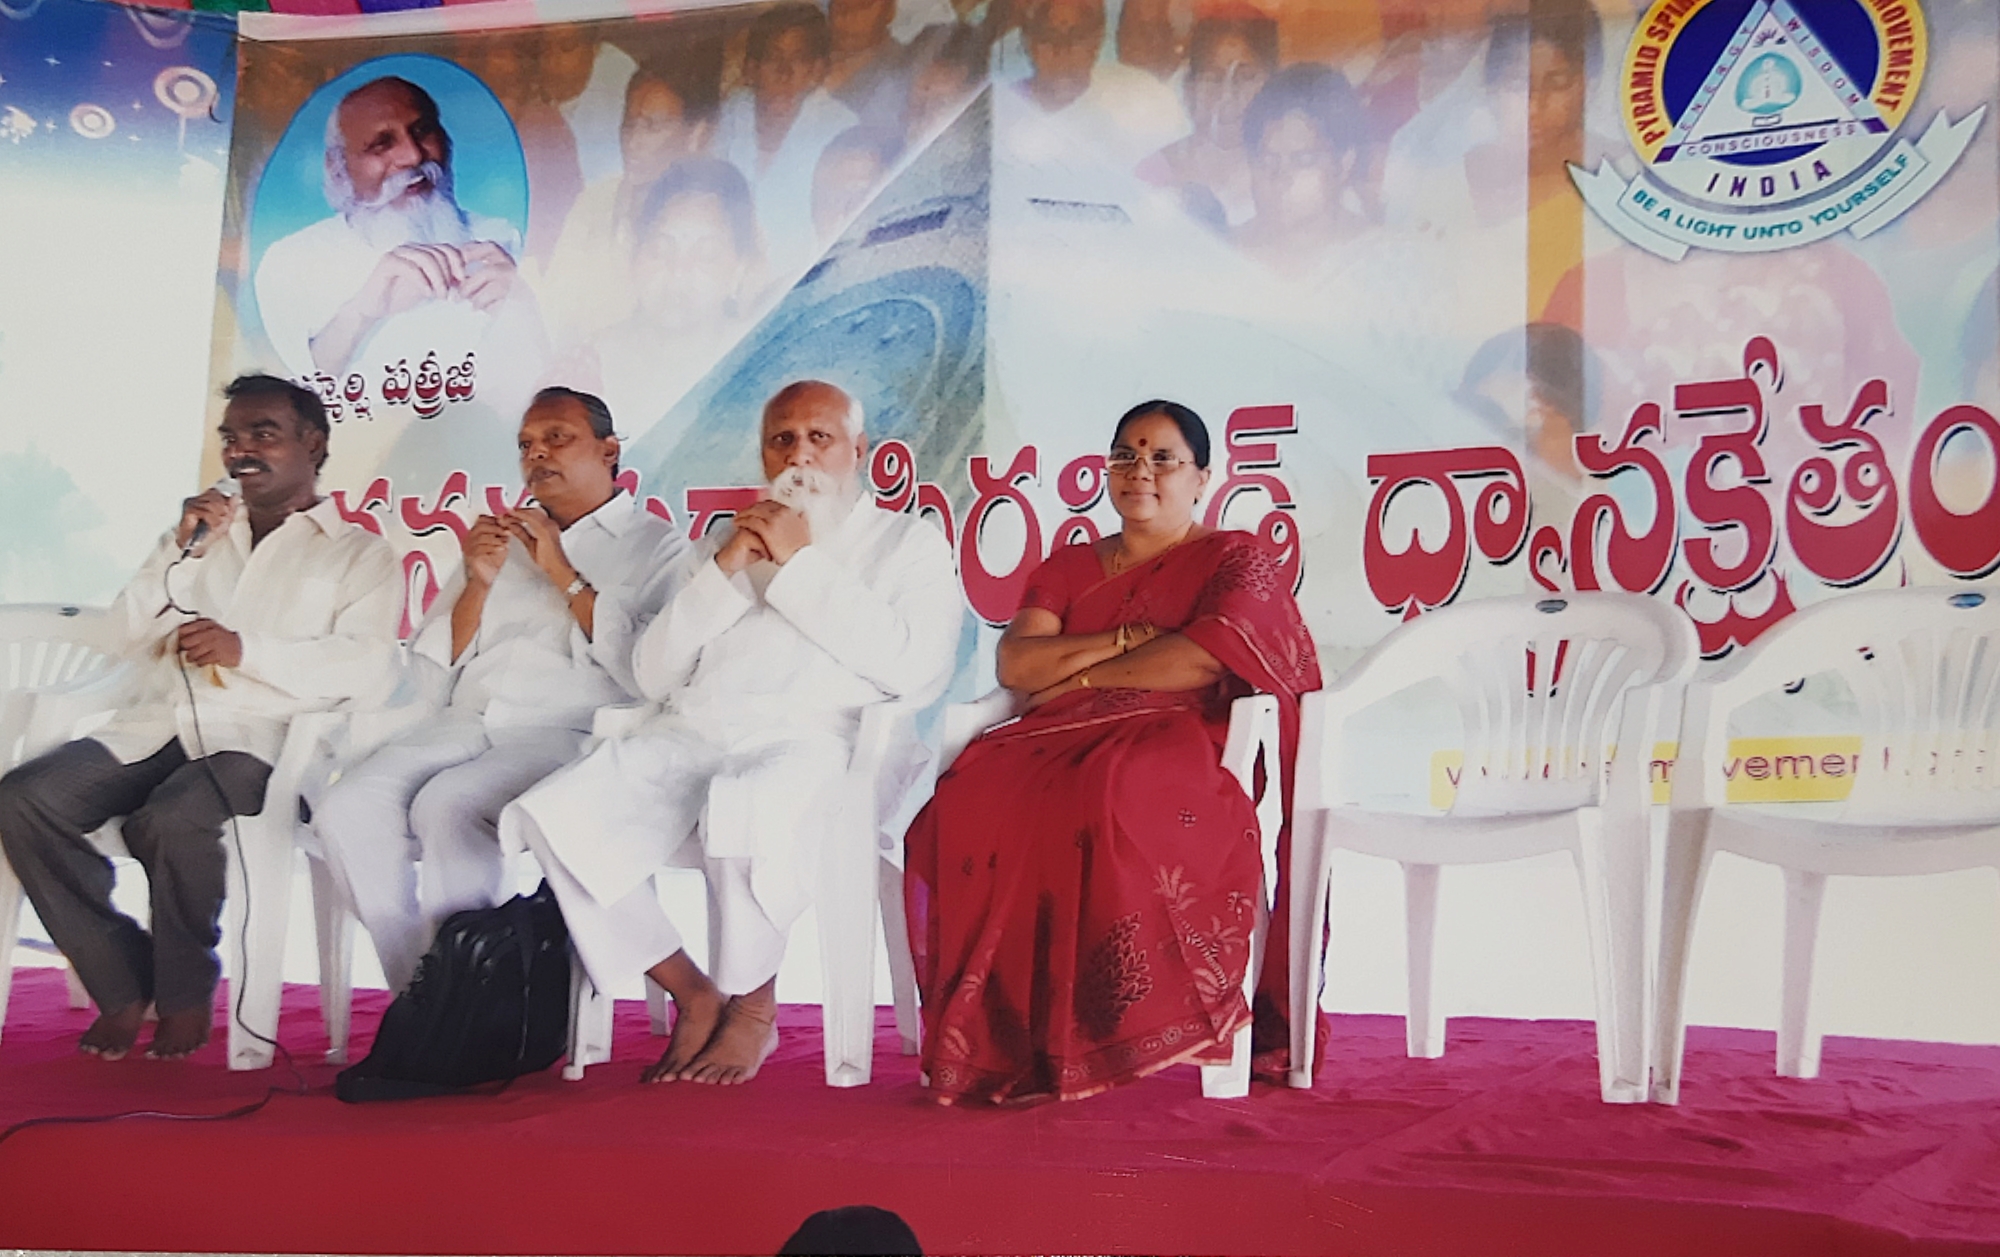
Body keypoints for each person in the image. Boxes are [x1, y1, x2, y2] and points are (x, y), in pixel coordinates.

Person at [500, 379, 961, 1085]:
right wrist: (724, 571)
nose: (799, 455)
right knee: (553, 815)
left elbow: (912, 668)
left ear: (859, 450)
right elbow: (651, 673)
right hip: (695, 730)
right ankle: (694, 990)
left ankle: (753, 1005)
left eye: (819, 438)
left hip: (822, 742)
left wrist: (800, 563)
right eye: (782, 439)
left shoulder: (907, 542)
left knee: (742, 801)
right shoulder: (725, 539)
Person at [905, 400, 1322, 1106]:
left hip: (1178, 734)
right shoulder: (1070, 565)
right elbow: (1018, 664)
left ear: (1203, 478)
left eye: (1163, 458)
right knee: (968, 795)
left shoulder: (1233, 559)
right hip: (1052, 734)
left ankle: (1108, 1029)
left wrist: (1078, 675)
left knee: (1108, 791)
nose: (1141, 472)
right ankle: (1007, 1037)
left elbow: (1199, 660)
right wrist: (1125, 642)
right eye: (1126, 455)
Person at [0, 374, 401, 1061]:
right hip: (155, 726)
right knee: (24, 798)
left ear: (313, 444)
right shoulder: (198, 535)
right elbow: (124, 633)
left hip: (260, 739)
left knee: (173, 818)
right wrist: (179, 551)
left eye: (263, 434)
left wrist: (248, 650)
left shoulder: (359, 553)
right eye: (231, 438)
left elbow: (365, 666)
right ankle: (121, 979)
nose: (241, 451)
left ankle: (184, 992)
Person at [311, 388, 686, 993]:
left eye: (557, 438)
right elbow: (436, 661)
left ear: (609, 451)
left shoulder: (657, 545)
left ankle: (470, 995)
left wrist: (562, 572)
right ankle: (426, 992)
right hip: (468, 719)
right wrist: (478, 583)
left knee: (448, 805)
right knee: (344, 809)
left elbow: (649, 669)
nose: (538, 454)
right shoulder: (499, 537)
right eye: (526, 444)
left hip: (568, 729)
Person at [253, 76, 548, 388]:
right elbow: (295, 392)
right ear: (338, 166)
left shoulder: (501, 240)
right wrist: (360, 313)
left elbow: (538, 382)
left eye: (422, 131)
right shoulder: (291, 262)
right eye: (381, 145)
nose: (413, 156)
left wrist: (524, 312)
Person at [589, 158, 768, 447]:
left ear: (740, 268)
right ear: (635, 255)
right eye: (661, 249)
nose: (678, 271)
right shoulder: (589, 365)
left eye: (706, 254)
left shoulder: (762, 364)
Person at [538, 66, 720, 348]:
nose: (633, 141)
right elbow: (553, 309)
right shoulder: (594, 203)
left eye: (652, 127)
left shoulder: (720, 222)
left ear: (696, 135)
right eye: (629, 123)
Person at [712, 3, 861, 278]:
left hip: (805, 280)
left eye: (799, 60)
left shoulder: (841, 130)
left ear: (817, 70)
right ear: (751, 69)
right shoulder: (731, 116)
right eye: (773, 58)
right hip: (727, 278)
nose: (785, 73)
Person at [1137, 6, 1278, 230]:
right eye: (1213, 78)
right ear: (1190, 88)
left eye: (1246, 77)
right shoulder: (1154, 175)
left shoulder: (1288, 175)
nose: (1228, 95)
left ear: (1273, 86)